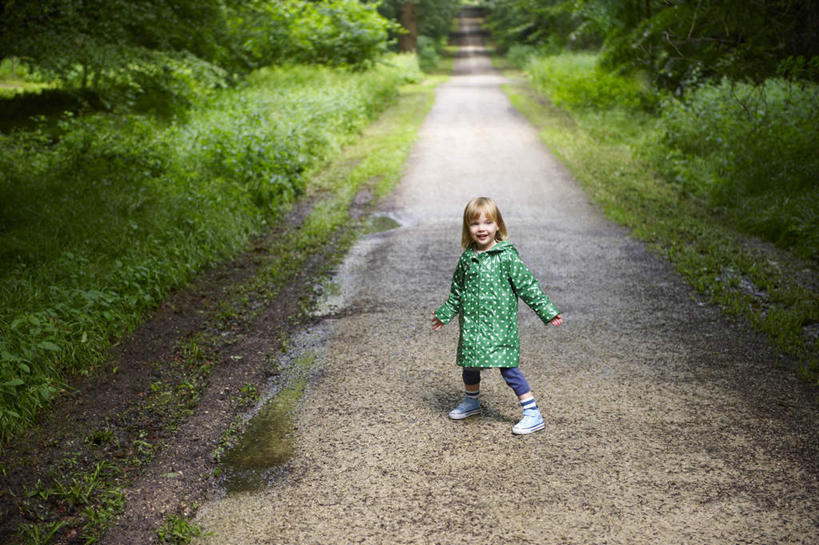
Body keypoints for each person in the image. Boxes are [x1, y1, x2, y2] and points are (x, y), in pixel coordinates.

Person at [431, 197, 562, 435]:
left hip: (500, 326)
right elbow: (457, 291)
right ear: (467, 228)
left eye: (488, 222)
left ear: (498, 225)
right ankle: (472, 401)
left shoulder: (506, 256)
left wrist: (547, 311)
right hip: (472, 325)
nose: (482, 229)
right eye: (475, 224)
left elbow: (527, 286)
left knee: (508, 368)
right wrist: (445, 313)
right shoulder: (467, 259)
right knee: (470, 365)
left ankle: (533, 413)